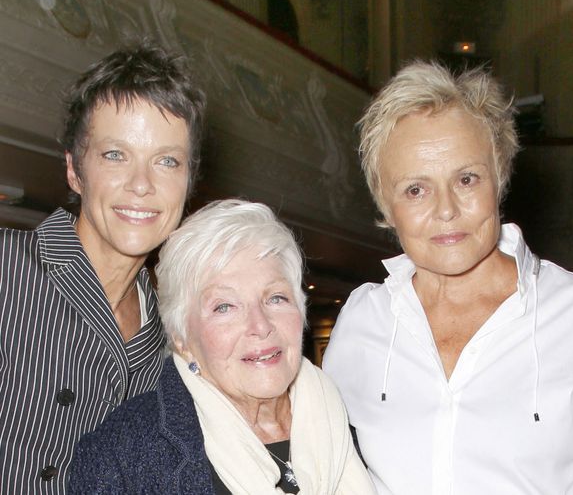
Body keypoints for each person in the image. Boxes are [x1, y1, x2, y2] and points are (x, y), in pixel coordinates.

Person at [323, 60, 573, 494]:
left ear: (499, 180)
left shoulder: (571, 315)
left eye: (466, 179)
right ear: (386, 206)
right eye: (415, 190)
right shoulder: (361, 321)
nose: (446, 210)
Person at [0, 41, 205, 493]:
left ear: (188, 181)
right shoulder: (6, 270)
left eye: (167, 161)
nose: (141, 184)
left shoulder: (172, 338)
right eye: (116, 155)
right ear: (74, 171)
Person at [68, 199, 376, 494]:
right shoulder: (121, 455)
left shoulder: (352, 422)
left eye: (276, 298)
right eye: (224, 307)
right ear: (182, 338)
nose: (261, 325)